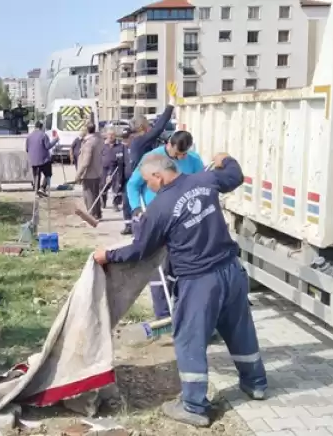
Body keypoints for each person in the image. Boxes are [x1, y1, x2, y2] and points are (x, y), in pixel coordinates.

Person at [93, 152, 267, 427]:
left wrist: (108, 256)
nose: (147, 186)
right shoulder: (204, 179)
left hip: (200, 282)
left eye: (148, 181)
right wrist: (227, 158)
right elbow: (235, 176)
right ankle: (256, 384)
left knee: (189, 339)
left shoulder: (160, 208)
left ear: (159, 176)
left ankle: (194, 406)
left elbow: (140, 249)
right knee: (240, 330)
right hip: (231, 271)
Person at [126, 131, 205, 320]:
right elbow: (133, 185)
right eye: (177, 154)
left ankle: (182, 310)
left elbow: (201, 185)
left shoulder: (193, 160)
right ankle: (162, 315)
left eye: (183, 155)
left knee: (180, 268)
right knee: (158, 269)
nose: (180, 158)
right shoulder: (152, 158)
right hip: (156, 218)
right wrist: (137, 208)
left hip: (182, 221)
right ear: (169, 144)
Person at [129, 94, 176, 171]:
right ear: (141, 127)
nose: (150, 126)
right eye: (147, 124)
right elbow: (158, 128)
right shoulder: (140, 140)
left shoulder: (136, 141)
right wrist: (171, 103)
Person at [75, 122, 105, 220]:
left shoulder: (88, 143)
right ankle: (98, 214)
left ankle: (92, 214)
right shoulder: (99, 140)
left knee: (89, 194)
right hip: (98, 171)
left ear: (87, 130)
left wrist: (79, 174)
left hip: (89, 173)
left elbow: (86, 161)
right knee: (96, 193)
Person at [25, 120, 59, 197]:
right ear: (41, 127)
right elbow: (48, 146)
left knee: (37, 175)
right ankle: (43, 188)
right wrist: (55, 140)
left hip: (33, 160)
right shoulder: (44, 135)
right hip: (44, 160)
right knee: (48, 174)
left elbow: (27, 149)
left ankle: (37, 190)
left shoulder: (29, 136)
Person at [114, 129, 134, 234]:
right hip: (126, 181)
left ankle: (137, 226)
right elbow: (116, 164)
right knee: (126, 204)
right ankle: (128, 226)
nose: (125, 140)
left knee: (135, 204)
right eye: (124, 138)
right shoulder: (121, 149)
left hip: (137, 181)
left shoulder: (137, 147)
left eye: (127, 138)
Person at [100, 128, 120, 210]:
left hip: (116, 169)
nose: (111, 136)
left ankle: (115, 204)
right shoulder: (103, 146)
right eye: (109, 134)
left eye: (112, 135)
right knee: (103, 187)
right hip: (104, 169)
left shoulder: (119, 146)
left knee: (116, 188)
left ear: (115, 136)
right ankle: (103, 202)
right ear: (106, 136)